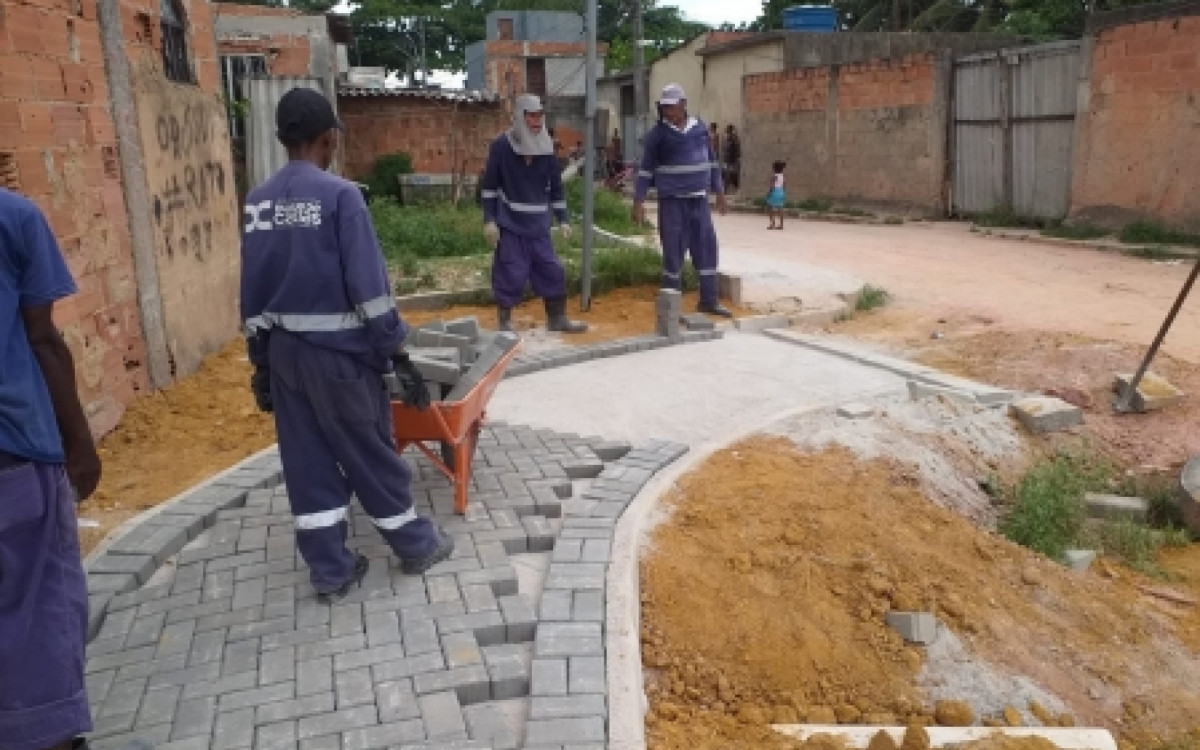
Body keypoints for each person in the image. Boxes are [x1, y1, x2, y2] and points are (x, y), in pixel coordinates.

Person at [240, 88, 453, 603]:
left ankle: (331, 571)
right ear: (327, 138)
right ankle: (415, 544)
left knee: (306, 461)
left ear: (281, 138)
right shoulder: (341, 197)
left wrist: (262, 365)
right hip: (341, 360)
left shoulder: (257, 202)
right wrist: (397, 355)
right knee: (368, 451)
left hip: (286, 358)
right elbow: (370, 292)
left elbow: (251, 293)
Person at [0, 188, 101, 750]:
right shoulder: (13, 218)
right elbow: (41, 335)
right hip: (13, 455)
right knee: (39, 617)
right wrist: (79, 447)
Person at [481, 93, 587, 334]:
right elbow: (489, 188)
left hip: (539, 227)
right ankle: (505, 322)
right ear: (520, 117)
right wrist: (489, 220)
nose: (537, 121)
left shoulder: (547, 148)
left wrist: (563, 219)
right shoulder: (501, 147)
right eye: (531, 116)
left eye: (540, 116)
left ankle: (556, 318)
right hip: (510, 225)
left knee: (552, 271)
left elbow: (556, 189)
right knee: (510, 272)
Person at [632, 83, 732, 317]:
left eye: (672, 106)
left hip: (699, 201)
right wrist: (638, 200)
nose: (669, 111)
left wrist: (719, 191)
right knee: (673, 252)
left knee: (707, 249)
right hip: (672, 202)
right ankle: (671, 309)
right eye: (665, 107)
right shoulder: (657, 135)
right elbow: (646, 170)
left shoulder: (700, 129)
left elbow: (712, 161)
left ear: (683, 104)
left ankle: (709, 300)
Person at [766, 160, 787, 230]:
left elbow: (772, 186)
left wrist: (769, 193)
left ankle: (772, 223)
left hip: (775, 192)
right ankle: (781, 225)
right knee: (780, 208)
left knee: (769, 207)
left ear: (774, 168)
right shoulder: (783, 176)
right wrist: (783, 193)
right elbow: (784, 185)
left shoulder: (774, 177)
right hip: (781, 192)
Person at [723, 124, 742, 192]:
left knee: (732, 174)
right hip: (727, 158)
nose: (726, 131)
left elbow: (737, 147)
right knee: (726, 173)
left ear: (730, 130)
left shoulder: (734, 138)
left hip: (732, 159)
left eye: (728, 129)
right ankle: (726, 188)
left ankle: (735, 186)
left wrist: (738, 157)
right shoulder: (726, 138)